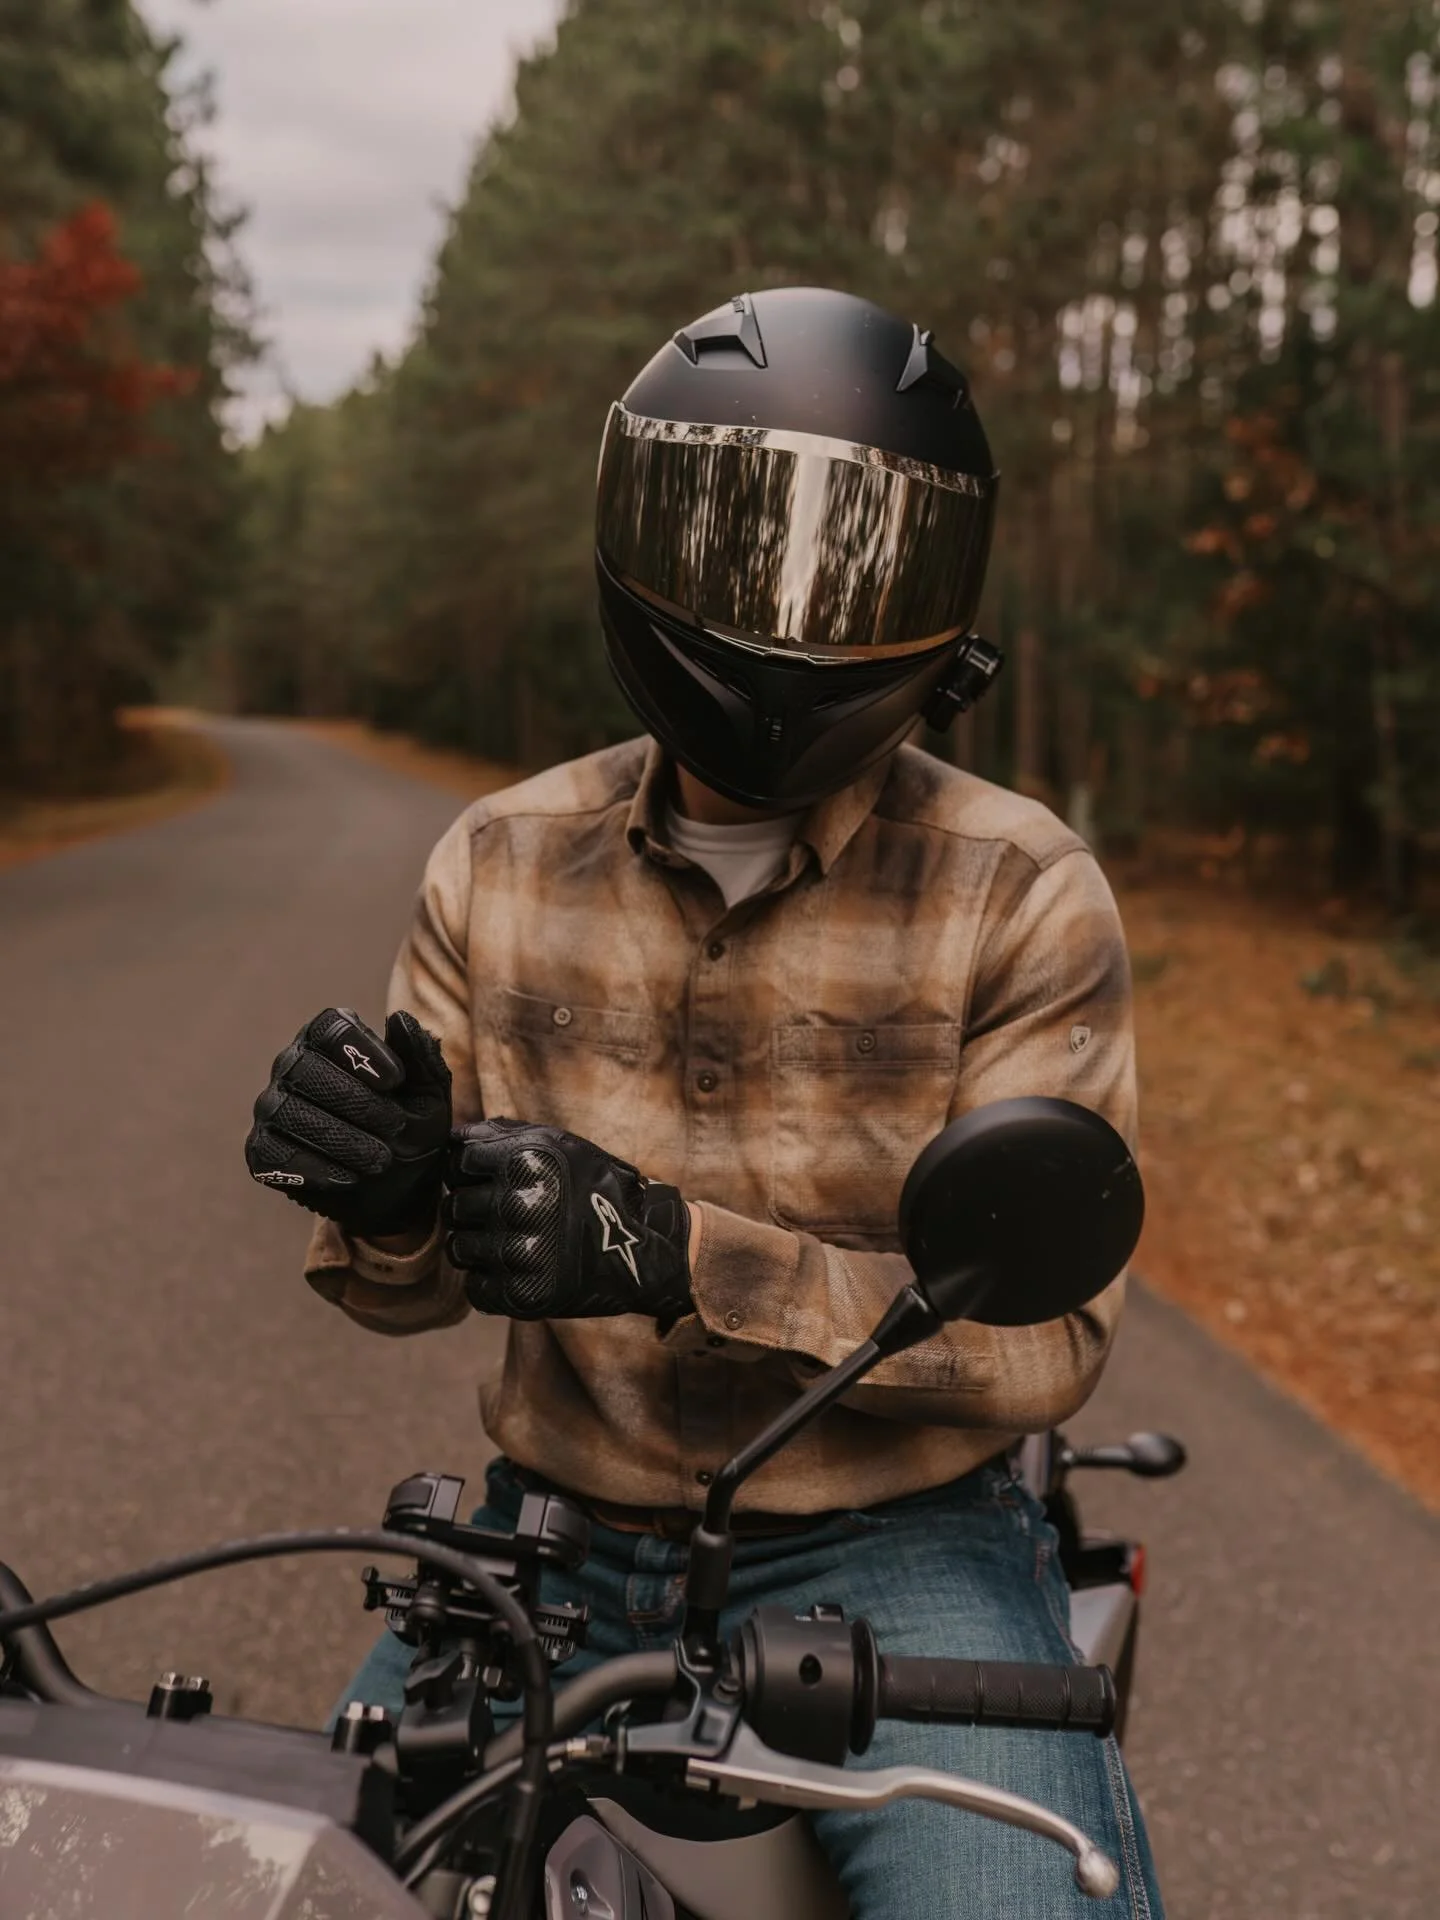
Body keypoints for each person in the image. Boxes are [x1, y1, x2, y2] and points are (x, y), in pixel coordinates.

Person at [245, 286, 1163, 1918]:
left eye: (850, 560)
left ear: (944, 608)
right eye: (733, 541)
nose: (785, 609)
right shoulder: (501, 859)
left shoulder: (1018, 891)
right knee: (304, 1876)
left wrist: (680, 1254)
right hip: (546, 1536)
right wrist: (391, 1202)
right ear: (631, 533)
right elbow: (404, 1295)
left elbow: (1048, 1344)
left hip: (897, 1543)